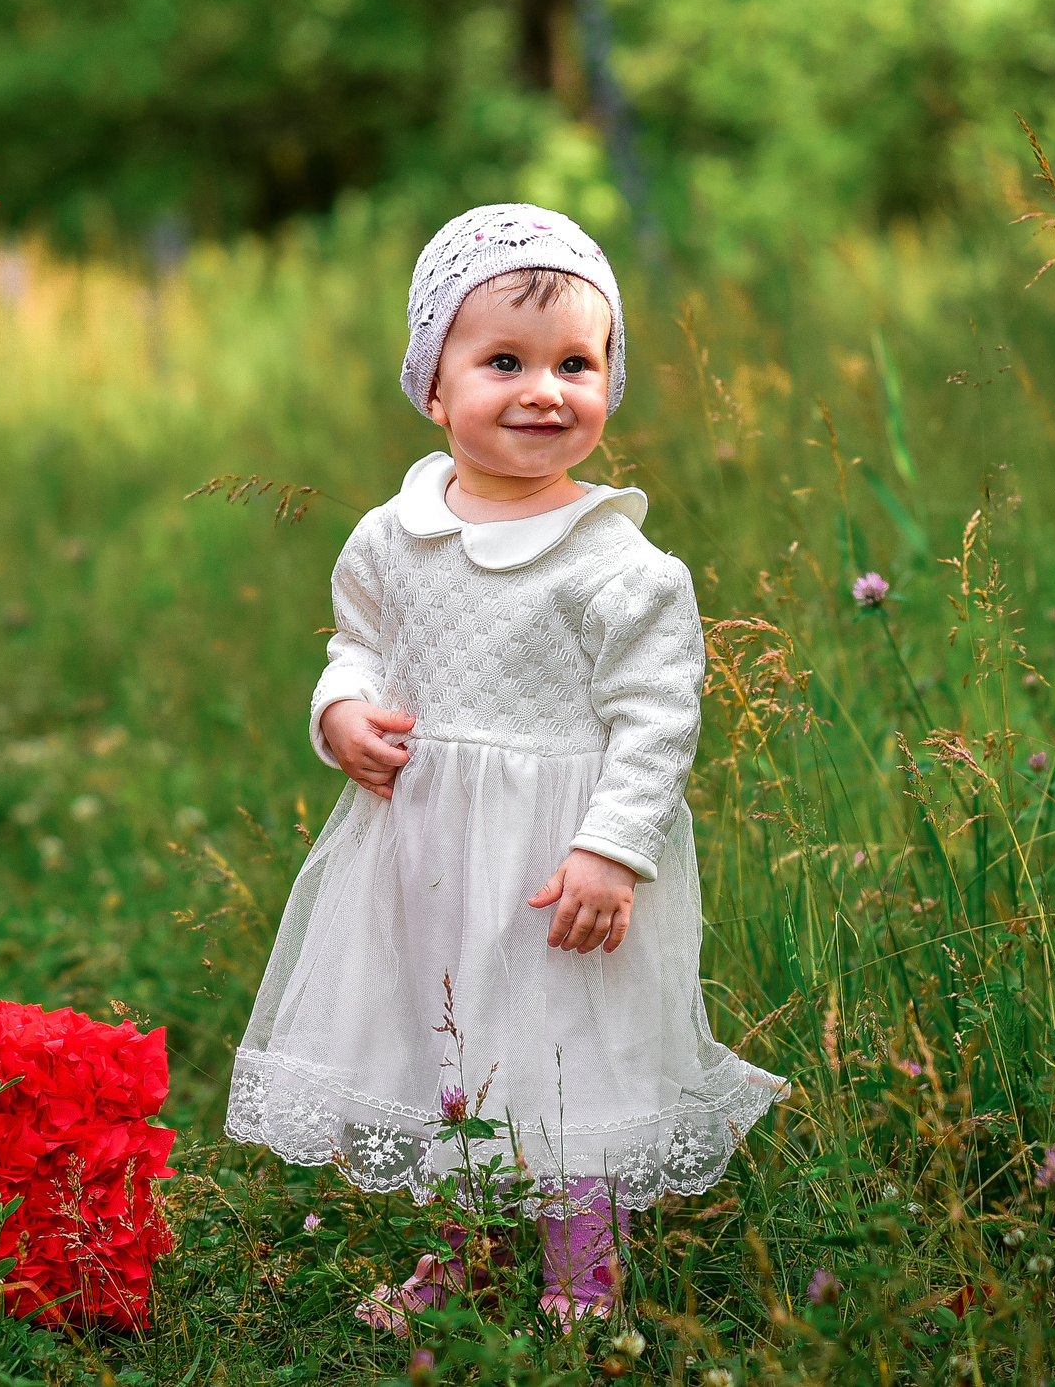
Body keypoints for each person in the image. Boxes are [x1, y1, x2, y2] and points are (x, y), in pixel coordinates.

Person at [225, 203, 784, 1330]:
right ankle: (466, 1259)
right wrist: (338, 714)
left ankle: (581, 1280)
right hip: (425, 848)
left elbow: (657, 723)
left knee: (563, 1061)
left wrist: (610, 851)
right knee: (452, 1052)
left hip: (555, 860)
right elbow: (358, 643)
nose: (544, 389)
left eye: (578, 362)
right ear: (434, 386)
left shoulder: (620, 565)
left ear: (609, 384)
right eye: (503, 362)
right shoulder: (394, 530)